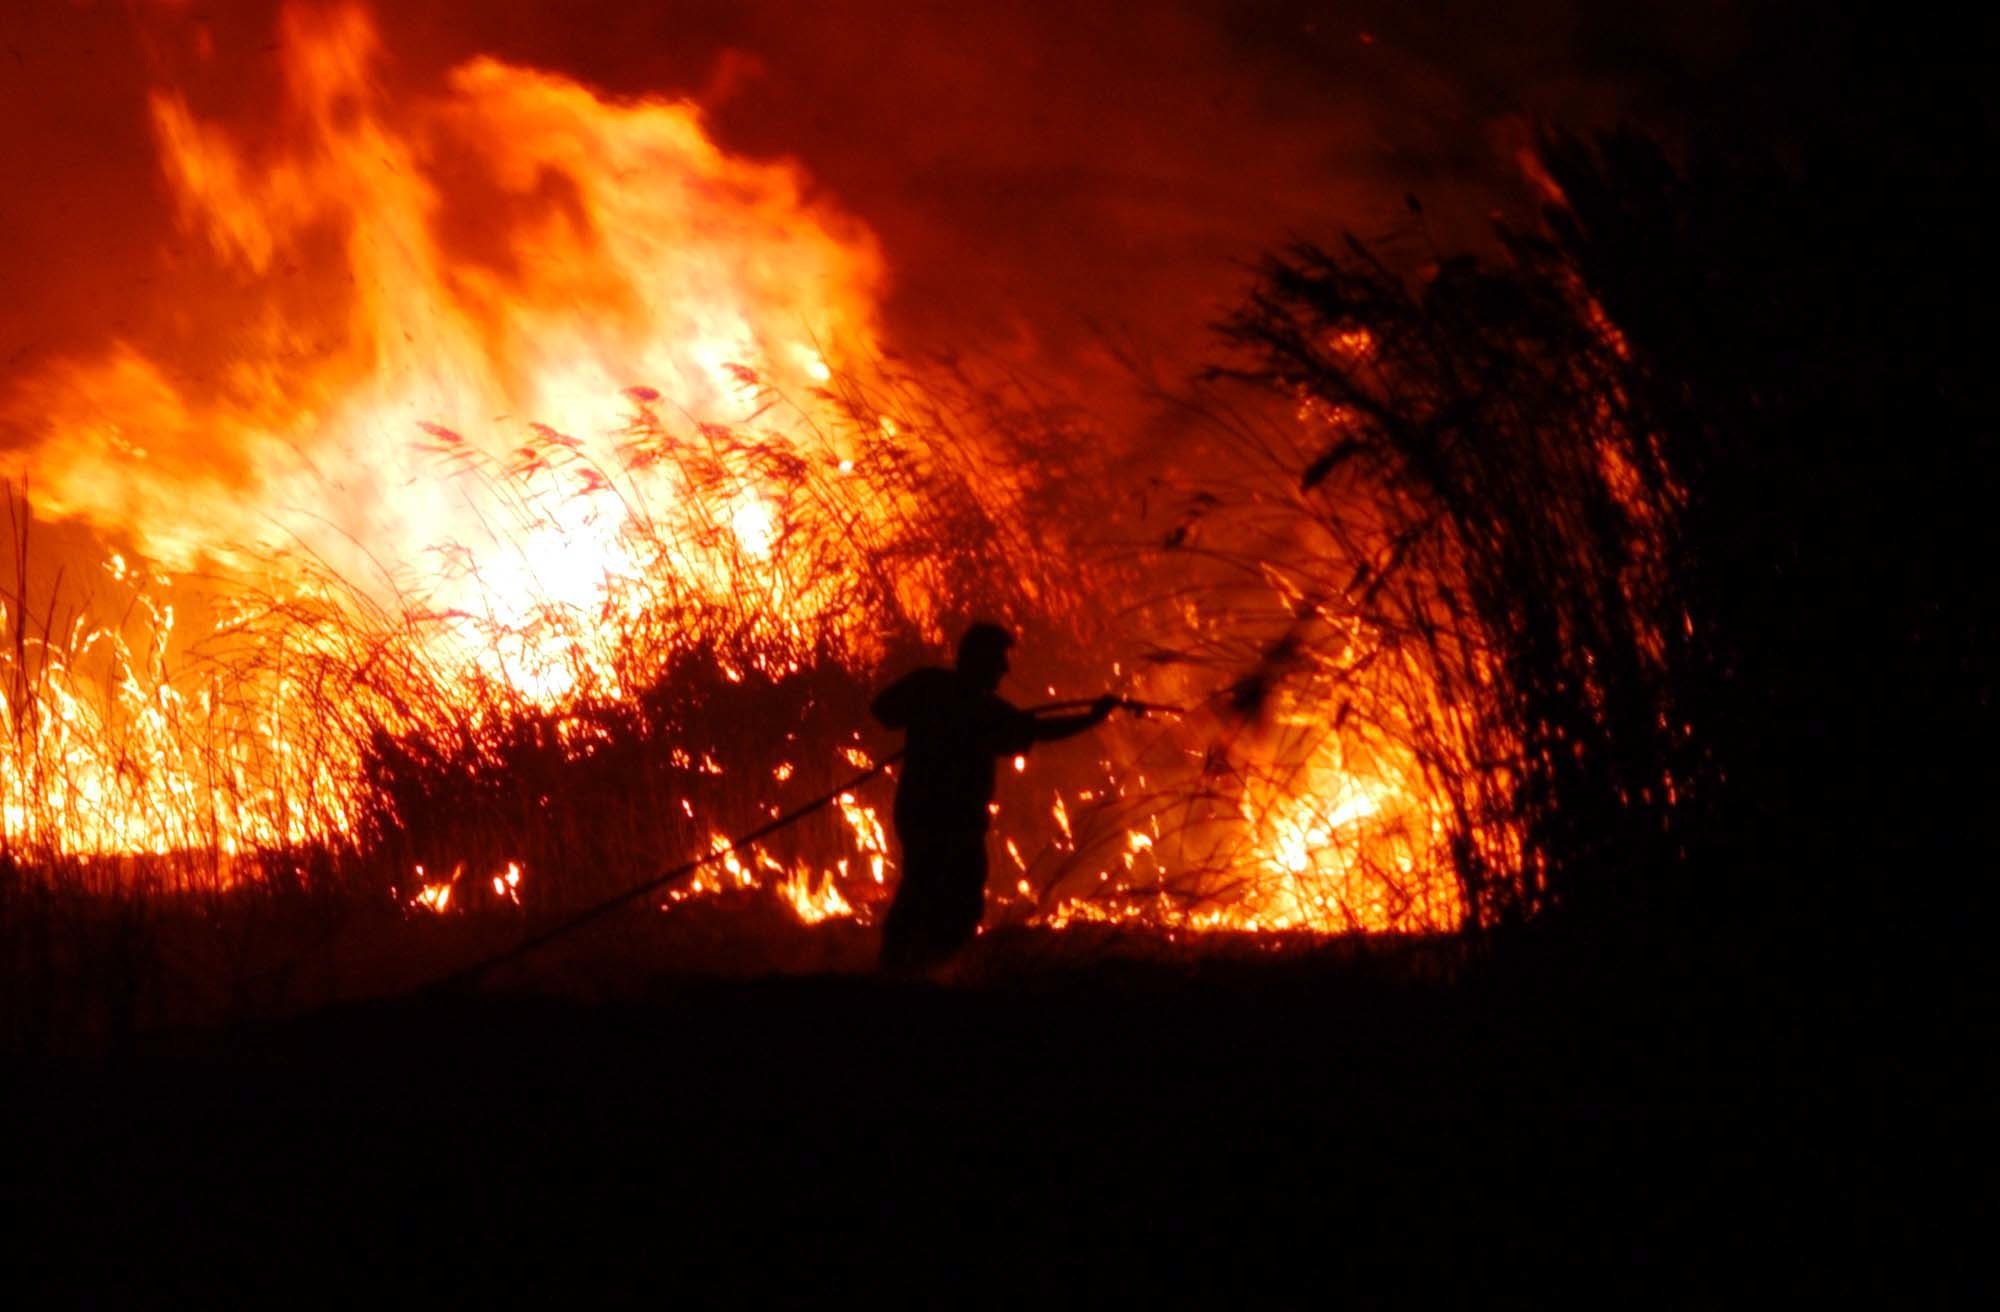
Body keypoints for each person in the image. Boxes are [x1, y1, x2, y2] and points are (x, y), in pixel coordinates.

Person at [870, 623, 1116, 973]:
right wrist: (1093, 719)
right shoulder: (973, 705)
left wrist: (932, 715)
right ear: (979, 659)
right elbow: (1040, 731)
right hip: (949, 818)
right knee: (954, 893)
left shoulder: (941, 690)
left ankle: (906, 967)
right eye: (999, 659)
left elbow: (883, 711)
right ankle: (927, 969)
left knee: (922, 885)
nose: (1005, 668)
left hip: (921, 811)